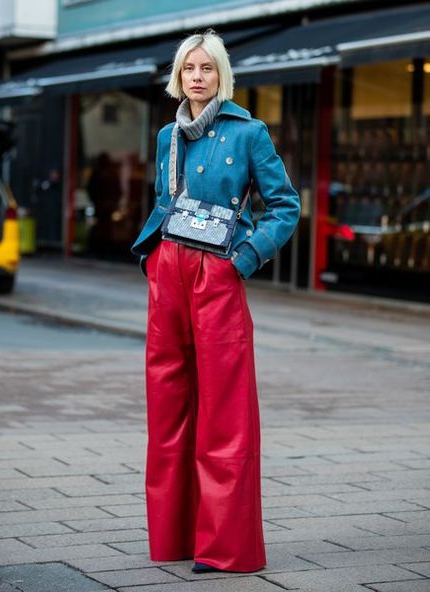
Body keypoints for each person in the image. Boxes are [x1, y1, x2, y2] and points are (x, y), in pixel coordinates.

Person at [131, 29, 300, 574]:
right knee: (168, 403)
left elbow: (284, 206)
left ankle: (224, 547)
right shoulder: (166, 135)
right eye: (188, 69)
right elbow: (165, 201)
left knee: (225, 411)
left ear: (221, 74)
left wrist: (243, 259)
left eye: (206, 68)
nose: (196, 76)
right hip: (170, 272)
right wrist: (153, 258)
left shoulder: (249, 133)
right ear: (178, 77)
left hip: (218, 272)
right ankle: (174, 535)